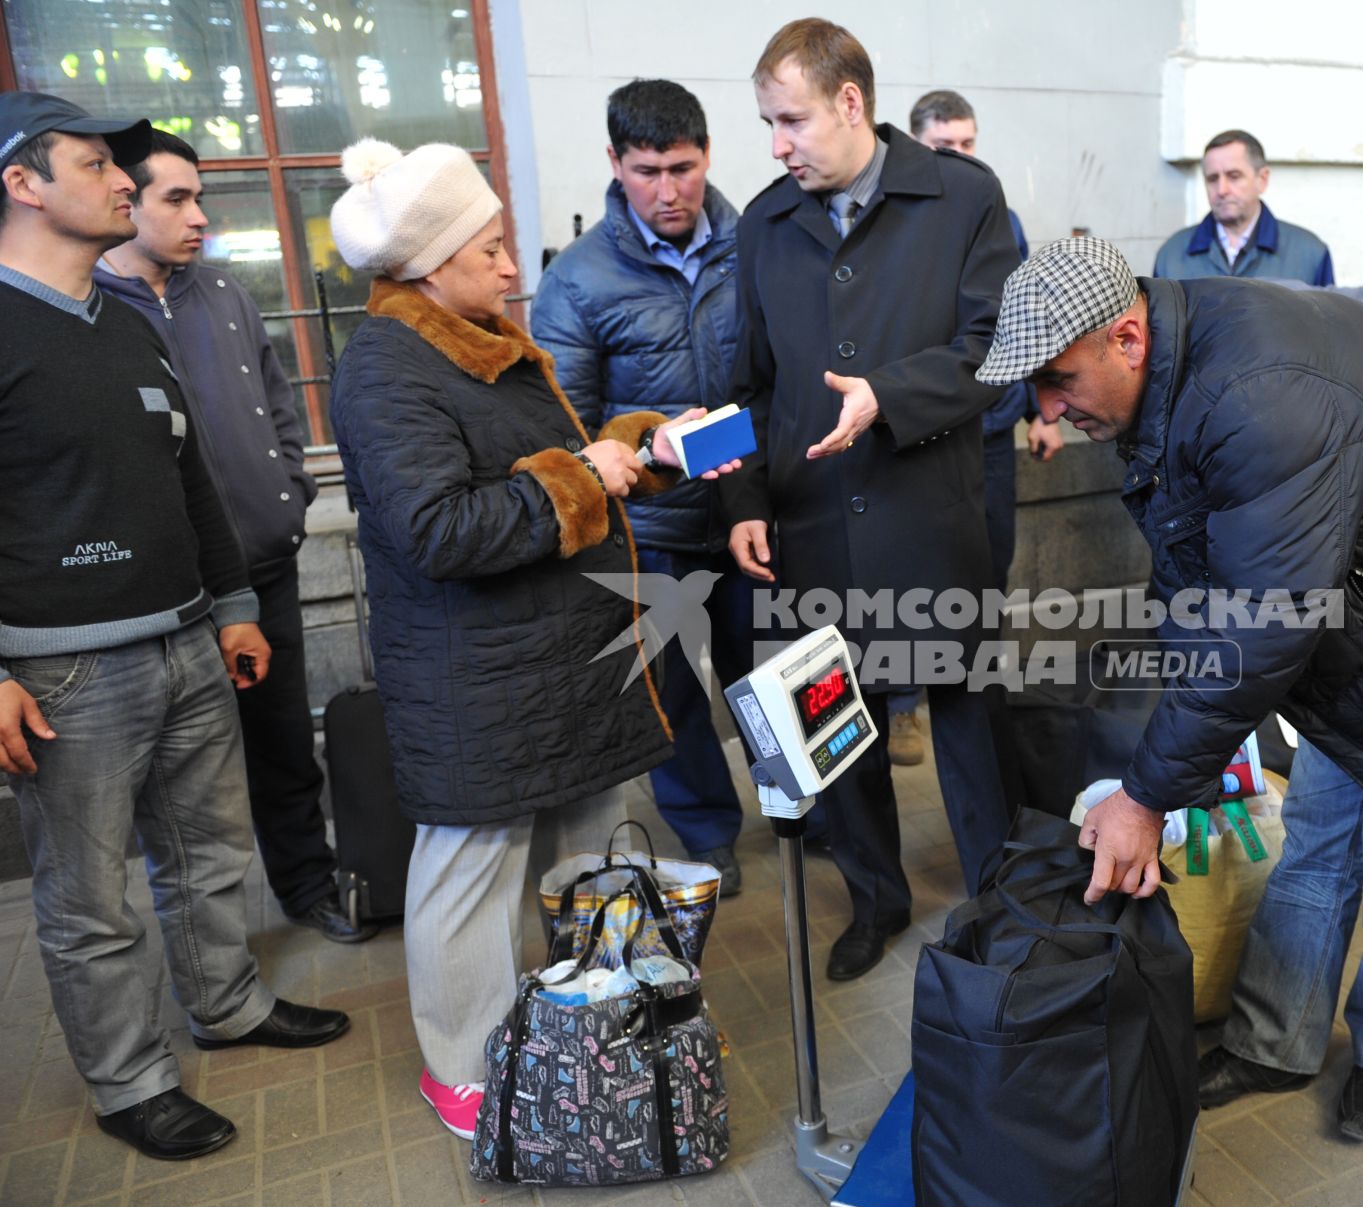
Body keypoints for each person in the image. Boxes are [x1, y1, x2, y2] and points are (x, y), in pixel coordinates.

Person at [979, 236, 1363, 1141]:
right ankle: (1276, 1039)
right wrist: (1160, 767)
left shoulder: (1257, 395)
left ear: (1127, 338)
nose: (1050, 410)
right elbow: (1206, 584)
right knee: (1317, 835)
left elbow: (1260, 623)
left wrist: (1149, 794)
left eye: (1060, 380)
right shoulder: (1177, 374)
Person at [327, 137, 737, 1138]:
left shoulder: (480, 337)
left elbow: (548, 457)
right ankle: (461, 1062)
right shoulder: (388, 365)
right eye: (493, 247)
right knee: (470, 869)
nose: (514, 266)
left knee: (587, 858)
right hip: (476, 676)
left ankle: (588, 1018)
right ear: (429, 262)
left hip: (557, 664)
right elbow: (440, 529)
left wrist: (645, 446)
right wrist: (587, 475)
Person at [0, 91, 349, 1161]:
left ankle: (229, 1004)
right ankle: (129, 1079)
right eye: (97, 164)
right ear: (23, 183)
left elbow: (190, 475)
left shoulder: (127, 324)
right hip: (64, 675)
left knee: (208, 854)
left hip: (191, 638)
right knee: (92, 894)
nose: (120, 179)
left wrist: (235, 607)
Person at [725, 18, 1020, 981]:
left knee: (968, 724)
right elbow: (747, 383)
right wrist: (744, 500)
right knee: (829, 725)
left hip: (928, 514)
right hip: (809, 520)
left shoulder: (963, 197)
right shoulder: (764, 224)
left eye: (791, 121)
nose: (776, 144)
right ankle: (876, 901)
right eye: (768, 123)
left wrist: (889, 395)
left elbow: (996, 347)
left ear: (851, 102)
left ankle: (996, 901)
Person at [92, 129, 374, 942]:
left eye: (200, 196)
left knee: (285, 746)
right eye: (176, 198)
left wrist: (290, 487)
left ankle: (307, 885)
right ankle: (210, 945)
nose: (199, 216)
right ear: (126, 199)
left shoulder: (224, 293)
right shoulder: (96, 311)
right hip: (171, 593)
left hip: (264, 564)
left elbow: (277, 400)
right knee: (187, 780)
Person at [531, 79, 753, 896]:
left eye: (684, 168)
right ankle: (707, 829)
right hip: (647, 528)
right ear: (615, 163)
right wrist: (650, 443)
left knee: (767, 668)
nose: (668, 190)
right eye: (647, 170)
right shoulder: (579, 281)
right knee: (671, 692)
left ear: (707, 155)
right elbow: (565, 424)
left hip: (750, 510)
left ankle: (813, 812)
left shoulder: (754, 243)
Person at [887, 89, 1066, 767]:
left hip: (990, 430)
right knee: (907, 578)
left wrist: (1035, 409)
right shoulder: (895, 221)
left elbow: (1016, 322)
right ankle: (904, 705)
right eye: (944, 146)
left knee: (987, 568)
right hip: (918, 434)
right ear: (915, 144)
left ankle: (973, 698)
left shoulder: (1000, 215)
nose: (960, 157)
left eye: (968, 143)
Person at [1153, 130, 1334, 284]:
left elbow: (1329, 323)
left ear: (1262, 180)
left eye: (1234, 176)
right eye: (1212, 179)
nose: (1222, 190)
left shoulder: (1309, 254)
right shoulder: (1172, 255)